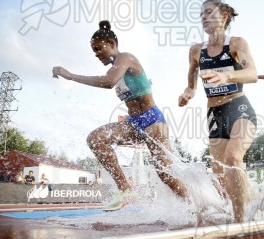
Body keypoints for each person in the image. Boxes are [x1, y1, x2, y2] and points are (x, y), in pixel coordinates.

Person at [52, 20, 188, 210]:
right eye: (94, 51)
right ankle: (125, 189)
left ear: (112, 44)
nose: (97, 54)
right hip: (134, 123)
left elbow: (108, 82)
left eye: (99, 48)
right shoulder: (115, 68)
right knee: (96, 139)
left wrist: (71, 76)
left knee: (165, 174)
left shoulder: (125, 58)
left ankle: (194, 206)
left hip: (152, 121)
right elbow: (111, 78)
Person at [178, 0, 258, 223]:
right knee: (220, 173)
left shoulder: (236, 43)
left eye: (208, 13)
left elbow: (252, 73)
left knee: (233, 158)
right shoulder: (196, 50)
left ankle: (240, 221)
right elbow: (192, 81)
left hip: (239, 108)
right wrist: (188, 93)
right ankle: (257, 197)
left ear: (223, 17)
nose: (203, 17)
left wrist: (228, 75)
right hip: (214, 114)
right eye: (201, 14)